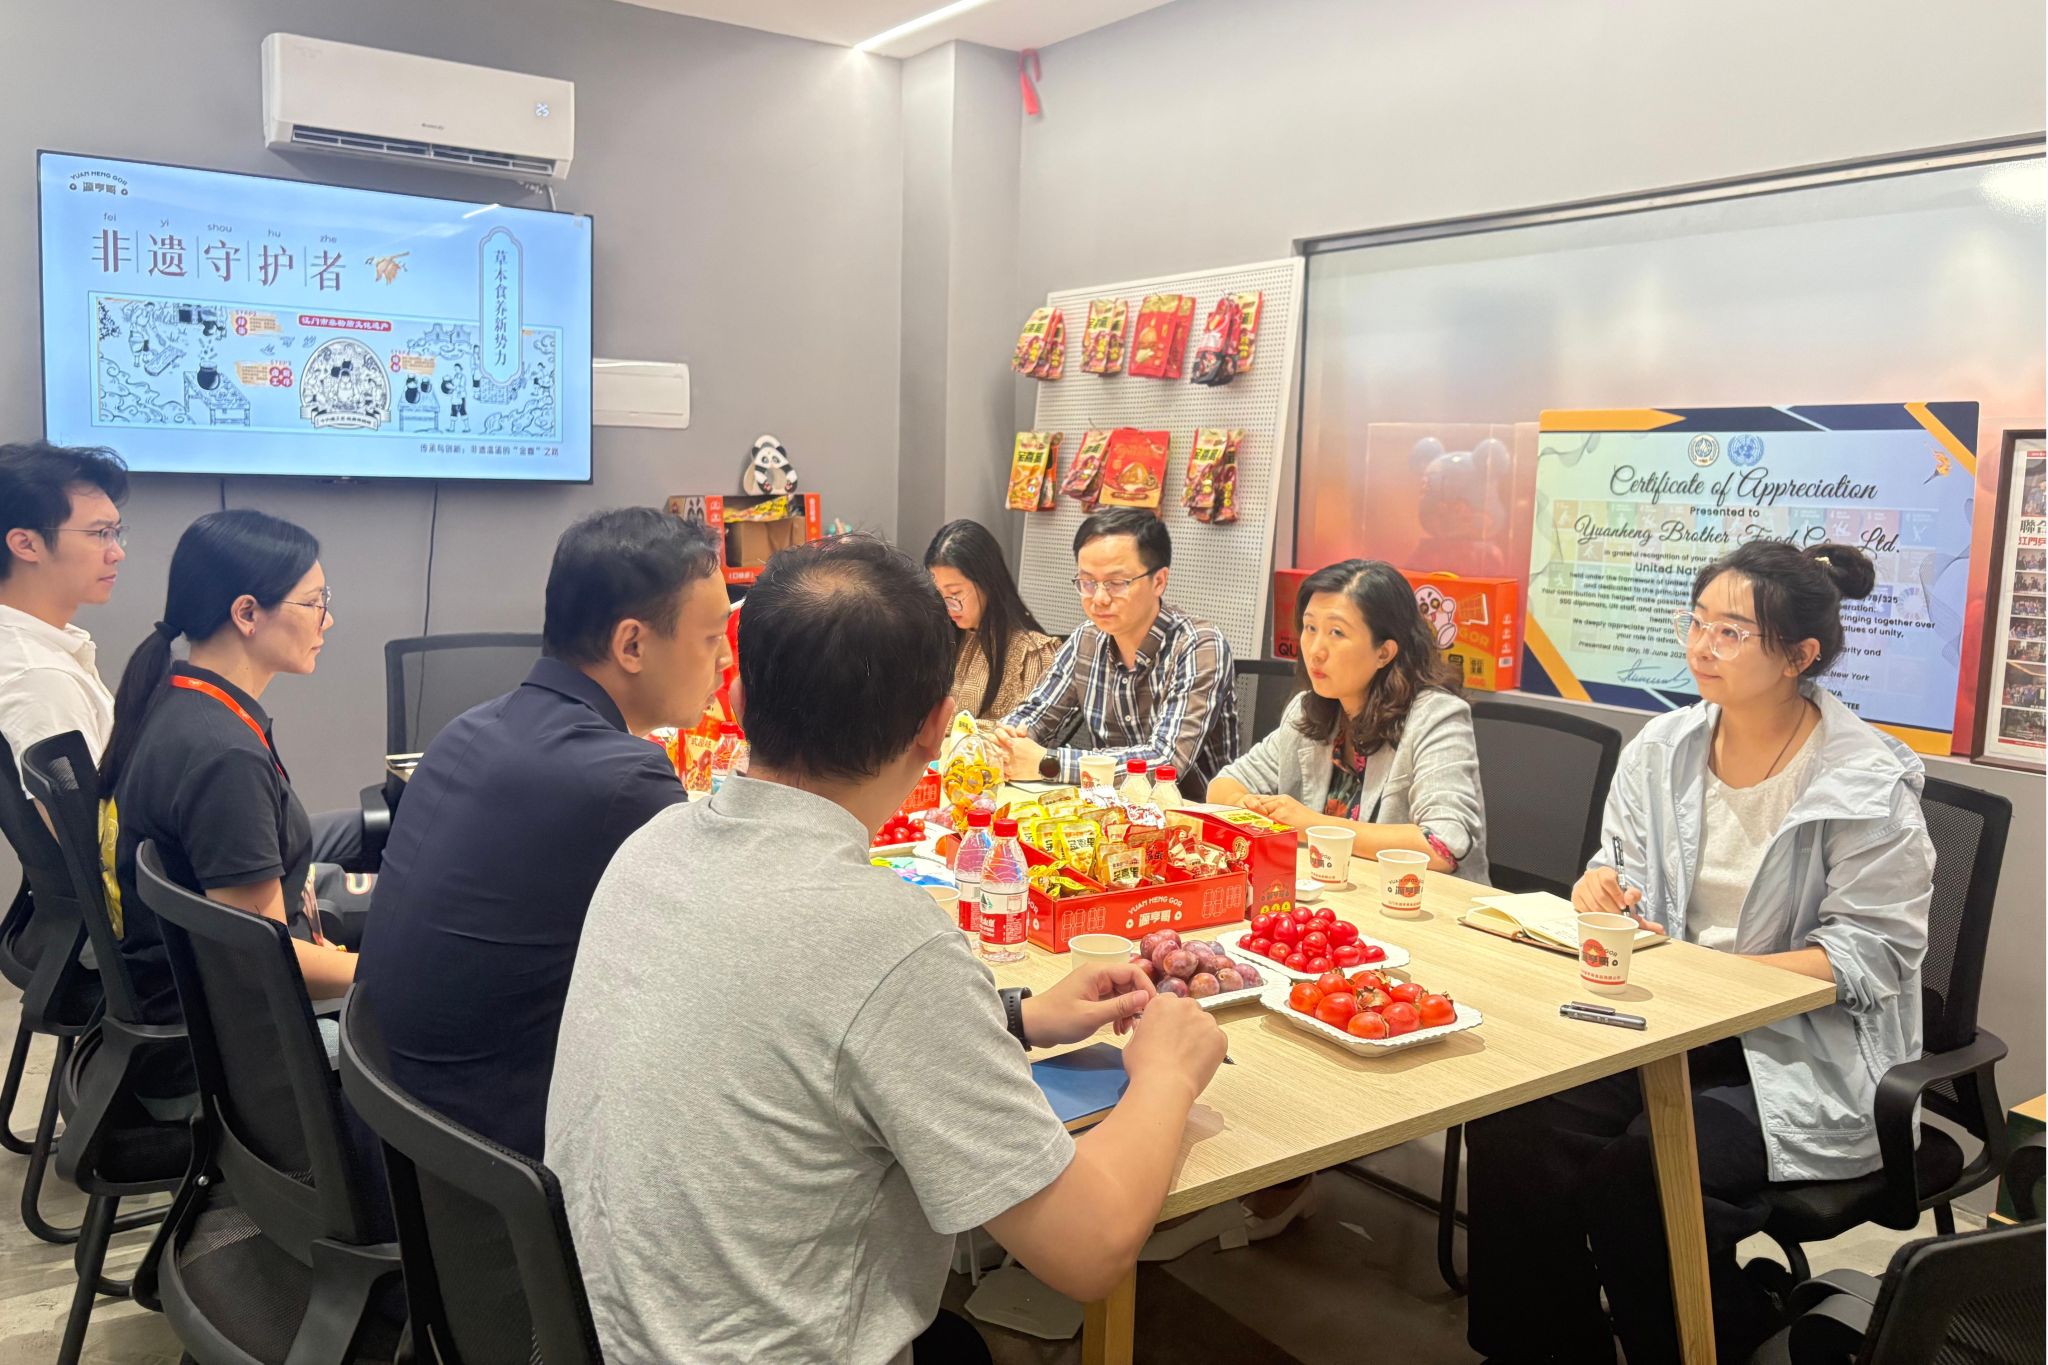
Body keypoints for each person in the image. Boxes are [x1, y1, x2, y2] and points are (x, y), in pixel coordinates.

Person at [546, 535, 1227, 1364]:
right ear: (938, 728)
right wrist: (1166, 1072)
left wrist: (1010, 1018)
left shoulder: (649, 844)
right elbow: (1090, 1248)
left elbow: (799, 1031)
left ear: (740, 695)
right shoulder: (890, 940)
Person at [1463, 541, 1934, 1365]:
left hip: (1797, 1050)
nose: (1701, 646)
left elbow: (1869, 953)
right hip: (1669, 1019)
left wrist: (1713, 981)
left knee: (1644, 1176)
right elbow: (1626, 863)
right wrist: (1604, 884)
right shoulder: (1664, 747)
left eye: (1731, 632)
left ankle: (1719, 1340)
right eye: (1697, 622)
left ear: (1799, 656)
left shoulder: (1864, 780)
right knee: (1513, 1119)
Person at [356, 509, 729, 1159]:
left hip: (392, 1132)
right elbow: (712, 983)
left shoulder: (468, 728)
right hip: (489, 1171)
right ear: (632, 645)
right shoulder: (623, 781)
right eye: (712, 638)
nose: (725, 660)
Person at [101, 509, 357, 1095]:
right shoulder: (223, 756)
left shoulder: (179, 698)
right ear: (247, 613)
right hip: (229, 1051)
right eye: (314, 602)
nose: (328, 618)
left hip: (197, 1015)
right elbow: (262, 963)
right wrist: (390, 974)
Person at [1208, 558, 1488, 883]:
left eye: (1337, 633)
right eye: (1310, 628)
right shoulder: (1308, 710)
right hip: (1332, 894)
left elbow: (1442, 845)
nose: (1315, 650)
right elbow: (1224, 784)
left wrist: (1310, 825)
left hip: (1423, 902)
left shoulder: (1436, 716)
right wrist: (1245, 805)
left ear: (1384, 652)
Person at [997, 507, 1239, 794]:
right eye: (1088, 582)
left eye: (1116, 583)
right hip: (1108, 810)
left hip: (1191, 813)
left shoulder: (1198, 645)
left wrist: (1049, 763)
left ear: (1159, 581)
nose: (1099, 598)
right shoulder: (1086, 640)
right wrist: (1009, 739)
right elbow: (1036, 713)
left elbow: (1165, 761)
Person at [0, 441, 128, 790]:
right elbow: (74, 822)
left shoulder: (40, 652)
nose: (116, 553)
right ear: (26, 544)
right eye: (99, 534)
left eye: (116, 533)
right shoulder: (38, 676)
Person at [923, 518, 1060, 721]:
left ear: (987, 583)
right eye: (939, 594)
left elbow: (1029, 731)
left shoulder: (1032, 653)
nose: (948, 605)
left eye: (955, 593)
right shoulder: (942, 640)